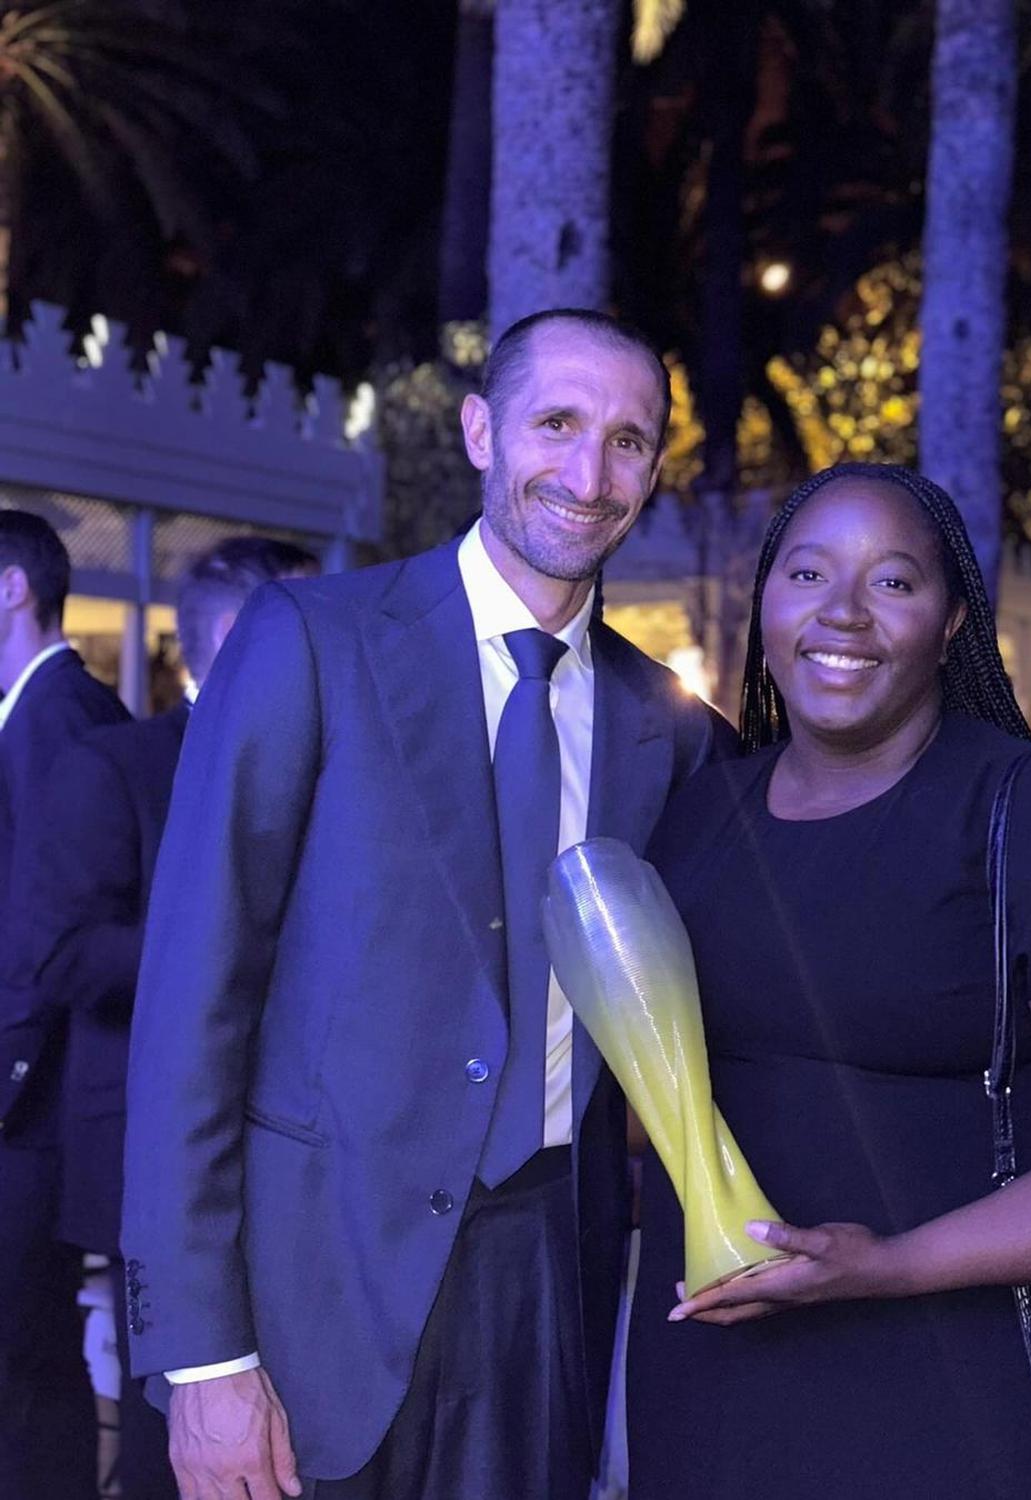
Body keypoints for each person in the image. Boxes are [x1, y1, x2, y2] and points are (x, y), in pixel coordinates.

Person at [121, 309, 735, 1500]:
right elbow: (194, 1002)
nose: (588, 472)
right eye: (557, 424)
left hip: (552, 1275)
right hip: (314, 1290)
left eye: (628, 440)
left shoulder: (668, 725)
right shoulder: (313, 642)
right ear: (479, 431)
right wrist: (203, 1356)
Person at [626, 463, 1031, 1500]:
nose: (842, 612)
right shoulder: (703, 816)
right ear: (765, 605)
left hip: (956, 1397)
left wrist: (885, 1264)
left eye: (893, 582)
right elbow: (655, 1095)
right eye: (806, 573)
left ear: (950, 625)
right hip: (709, 1383)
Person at [23, 535, 319, 1500]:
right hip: (156, 1156)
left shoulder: (345, 767)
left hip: (315, 1156)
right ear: (237, 637)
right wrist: (223, 943)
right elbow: (59, 953)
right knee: (172, 1435)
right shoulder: (115, 765)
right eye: (316, 627)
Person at [0, 509, 130, 1500]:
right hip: (34, 1108)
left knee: (25, 1367)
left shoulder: (58, 720)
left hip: (33, 1116)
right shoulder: (45, 713)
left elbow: (44, 940)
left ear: (10, 589)